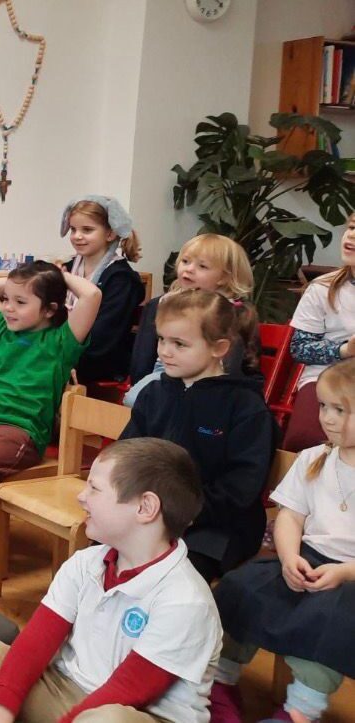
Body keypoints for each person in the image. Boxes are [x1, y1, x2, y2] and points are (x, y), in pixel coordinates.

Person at [0, 438, 221, 723]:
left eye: (94, 488)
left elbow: (128, 691)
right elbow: (34, 645)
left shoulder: (186, 601)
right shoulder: (86, 563)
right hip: (67, 691)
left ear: (145, 508)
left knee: (106, 720)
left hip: (134, 713)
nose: (81, 496)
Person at [210, 359, 355, 723]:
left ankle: (301, 710)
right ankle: (221, 683)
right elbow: (290, 516)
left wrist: (343, 573)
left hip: (351, 575)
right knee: (241, 588)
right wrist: (289, 557)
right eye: (323, 406)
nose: (327, 418)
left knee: (331, 619)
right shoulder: (314, 458)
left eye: (341, 410)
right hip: (305, 558)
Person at [0, 261, 101, 560]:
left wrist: (57, 276)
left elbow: (92, 295)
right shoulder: (4, 327)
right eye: (7, 299)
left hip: (19, 430)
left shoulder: (62, 340)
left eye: (21, 302)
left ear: (49, 309)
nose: (9, 308)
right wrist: (23, 282)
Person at [121, 289, 274, 582]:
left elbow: (242, 485)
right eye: (162, 340)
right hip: (151, 512)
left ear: (219, 348)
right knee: (101, 557)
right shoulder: (154, 393)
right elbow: (127, 454)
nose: (164, 352)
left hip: (216, 526)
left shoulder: (245, 406)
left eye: (179, 344)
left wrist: (181, 512)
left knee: (169, 576)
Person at [125, 233, 259, 406]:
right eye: (185, 261)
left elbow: (230, 364)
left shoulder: (231, 312)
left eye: (202, 266)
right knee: (134, 399)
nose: (189, 269)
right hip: (164, 371)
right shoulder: (164, 303)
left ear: (224, 277)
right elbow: (143, 356)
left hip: (210, 378)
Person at [283, 213, 355, 452]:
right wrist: (344, 350)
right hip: (324, 378)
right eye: (351, 227)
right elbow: (300, 348)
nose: (352, 235)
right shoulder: (322, 288)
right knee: (304, 440)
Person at [59, 195, 145, 384]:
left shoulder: (121, 279)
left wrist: (61, 360)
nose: (77, 236)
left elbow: (103, 338)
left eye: (87, 230)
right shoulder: (67, 268)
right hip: (62, 353)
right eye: (73, 229)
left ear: (110, 234)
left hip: (98, 363)